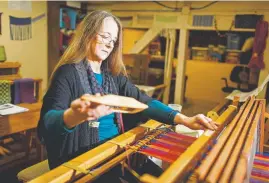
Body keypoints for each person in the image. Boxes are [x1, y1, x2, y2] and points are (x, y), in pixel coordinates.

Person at [37, 10, 217, 180]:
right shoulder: (68, 73)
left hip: (117, 150)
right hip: (85, 158)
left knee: (165, 177)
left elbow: (144, 101)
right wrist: (73, 116)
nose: (109, 44)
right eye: (105, 36)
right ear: (87, 34)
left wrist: (185, 120)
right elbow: (48, 121)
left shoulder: (113, 76)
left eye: (113, 40)